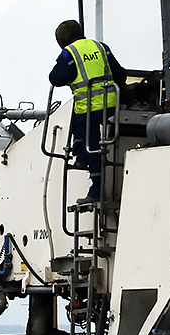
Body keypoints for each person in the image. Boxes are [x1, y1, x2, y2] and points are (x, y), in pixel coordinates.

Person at [49, 19, 126, 203]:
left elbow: (55, 78)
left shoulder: (69, 53)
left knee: (91, 145)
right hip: (111, 103)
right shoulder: (100, 47)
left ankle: (96, 189)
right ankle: (81, 156)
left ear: (62, 40)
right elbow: (121, 75)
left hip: (90, 108)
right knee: (77, 118)